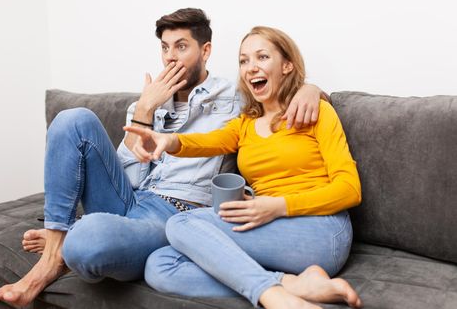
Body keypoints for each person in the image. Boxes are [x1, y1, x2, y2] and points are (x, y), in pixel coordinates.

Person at [0, 9, 324, 307]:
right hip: (130, 199)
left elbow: (281, 93)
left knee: (86, 241)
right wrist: (144, 110)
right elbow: (129, 176)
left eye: (181, 46)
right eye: (165, 48)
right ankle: (54, 252)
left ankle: (70, 240)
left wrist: (311, 90)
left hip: (176, 213)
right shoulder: (150, 100)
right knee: (71, 119)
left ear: (205, 51)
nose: (170, 57)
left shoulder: (234, 96)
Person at [125, 26, 363, 309]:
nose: (251, 68)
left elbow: (350, 190)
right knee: (160, 264)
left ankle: (275, 298)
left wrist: (276, 206)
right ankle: (290, 284)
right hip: (270, 226)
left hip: (322, 230)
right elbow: (205, 142)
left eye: (262, 57)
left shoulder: (317, 112)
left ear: (287, 65)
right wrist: (167, 140)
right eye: (243, 60)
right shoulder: (245, 124)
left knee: (181, 222)